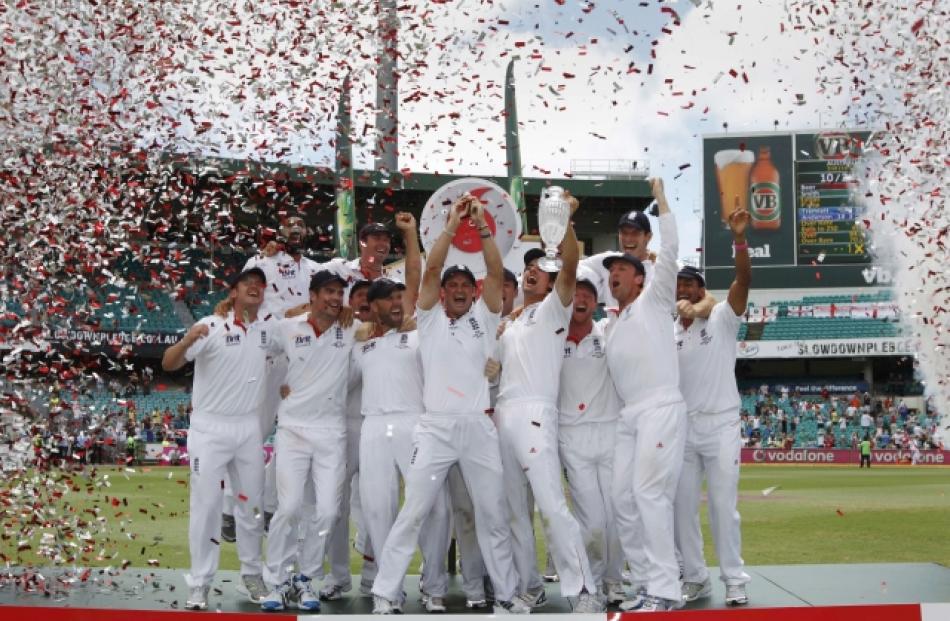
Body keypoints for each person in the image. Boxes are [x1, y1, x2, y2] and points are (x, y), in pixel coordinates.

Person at [370, 194, 528, 615]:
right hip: (435, 427)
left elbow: (495, 270)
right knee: (413, 513)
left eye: (465, 286)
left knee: (492, 515)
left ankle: (508, 598)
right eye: (451, 287)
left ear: (473, 292)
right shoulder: (429, 317)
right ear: (441, 294)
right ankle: (386, 595)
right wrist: (449, 226)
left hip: (477, 426)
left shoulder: (486, 315)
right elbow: (432, 268)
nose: (458, 290)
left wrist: (480, 227)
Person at [493, 192, 603, 613]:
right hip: (504, 414)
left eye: (540, 268)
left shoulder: (555, 310)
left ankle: (583, 591)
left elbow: (571, 264)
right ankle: (530, 587)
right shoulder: (510, 323)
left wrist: (568, 222)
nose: (530, 273)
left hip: (538, 413)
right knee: (515, 513)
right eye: (527, 268)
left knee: (552, 507)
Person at [161, 267, 273, 611]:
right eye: (247, 284)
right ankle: (200, 583)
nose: (254, 288)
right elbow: (168, 364)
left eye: (259, 285)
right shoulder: (211, 325)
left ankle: (252, 575)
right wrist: (185, 341)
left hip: (248, 428)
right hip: (210, 429)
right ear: (234, 292)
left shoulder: (268, 329)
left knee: (252, 506)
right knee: (208, 506)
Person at [604, 177, 686, 612]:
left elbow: (669, 253)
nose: (614, 273)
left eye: (621, 269)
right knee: (622, 499)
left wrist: (663, 203)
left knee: (648, 495)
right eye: (611, 270)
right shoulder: (612, 324)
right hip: (628, 416)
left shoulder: (655, 300)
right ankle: (644, 582)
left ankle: (665, 590)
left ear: (640, 278)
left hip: (659, 406)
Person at [260, 270, 358, 612]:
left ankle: (306, 580)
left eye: (339, 293)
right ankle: (276, 581)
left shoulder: (349, 328)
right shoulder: (288, 327)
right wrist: (278, 387)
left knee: (329, 512)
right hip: (293, 430)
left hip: (331, 433)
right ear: (313, 295)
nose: (335, 298)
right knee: (287, 508)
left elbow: (389, 325)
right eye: (328, 292)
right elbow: (255, 345)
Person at [672, 207, 753, 608]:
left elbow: (743, 281)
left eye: (690, 283)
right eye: (679, 284)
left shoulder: (721, 317)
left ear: (701, 288)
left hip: (721, 424)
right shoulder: (667, 330)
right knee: (681, 510)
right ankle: (695, 577)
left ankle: (734, 579)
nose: (684, 289)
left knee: (723, 507)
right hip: (682, 429)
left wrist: (739, 240)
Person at [557, 266, 625, 605]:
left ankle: (613, 581)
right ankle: (592, 583)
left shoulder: (609, 334)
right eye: (576, 292)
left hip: (610, 431)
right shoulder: (551, 339)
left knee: (615, 516)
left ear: (596, 301)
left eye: (588, 293)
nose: (581, 298)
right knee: (593, 522)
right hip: (572, 437)